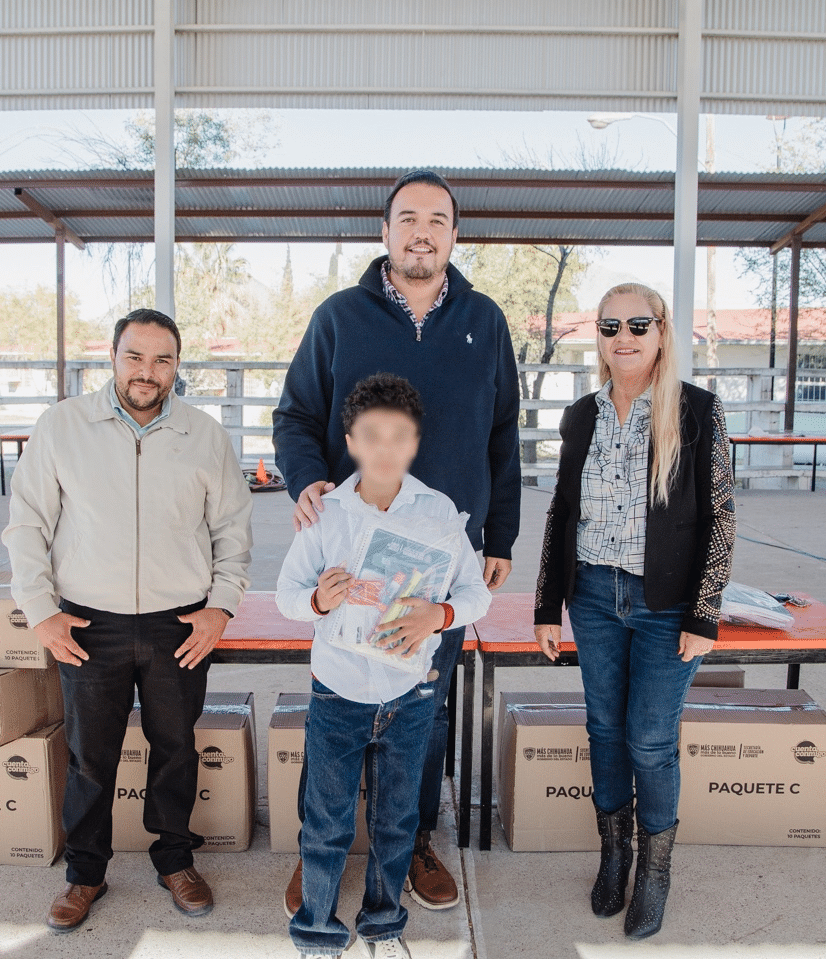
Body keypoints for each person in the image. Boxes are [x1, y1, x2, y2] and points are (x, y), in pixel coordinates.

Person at [272, 170, 521, 914]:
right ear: (384, 233)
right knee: (338, 699)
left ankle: (412, 839)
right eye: (407, 218)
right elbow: (294, 416)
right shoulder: (339, 317)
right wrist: (306, 481)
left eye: (437, 220)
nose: (422, 232)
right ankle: (320, 844)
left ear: (455, 236)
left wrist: (500, 535)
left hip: (438, 558)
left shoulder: (484, 320)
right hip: (352, 551)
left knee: (424, 703)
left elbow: (504, 433)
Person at [3, 308, 253, 932]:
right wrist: (41, 613)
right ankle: (85, 873)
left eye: (162, 359)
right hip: (89, 624)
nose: (148, 371)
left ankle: (175, 860)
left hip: (179, 623)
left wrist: (221, 606)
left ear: (177, 366)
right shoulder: (63, 426)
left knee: (175, 749)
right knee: (90, 757)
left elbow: (232, 530)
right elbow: (27, 525)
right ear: (112, 358)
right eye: (135, 357)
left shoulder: (204, 435)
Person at [533, 284, 735, 940]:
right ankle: (614, 854)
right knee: (603, 729)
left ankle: (655, 870)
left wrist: (704, 613)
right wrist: (546, 605)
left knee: (649, 737)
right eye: (610, 325)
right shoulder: (580, 416)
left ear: (661, 331)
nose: (623, 337)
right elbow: (562, 512)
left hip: (664, 605)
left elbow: (721, 516)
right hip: (593, 596)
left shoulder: (697, 410)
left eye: (638, 325)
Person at [277, 373, 492, 959]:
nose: (386, 448)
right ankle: (317, 934)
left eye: (399, 435)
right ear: (350, 441)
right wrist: (318, 599)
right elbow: (287, 595)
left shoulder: (438, 512)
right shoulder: (325, 513)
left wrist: (439, 615)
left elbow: (476, 594)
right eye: (371, 435)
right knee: (327, 823)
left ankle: (383, 927)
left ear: (415, 442)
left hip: (408, 693)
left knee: (396, 822)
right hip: (337, 692)